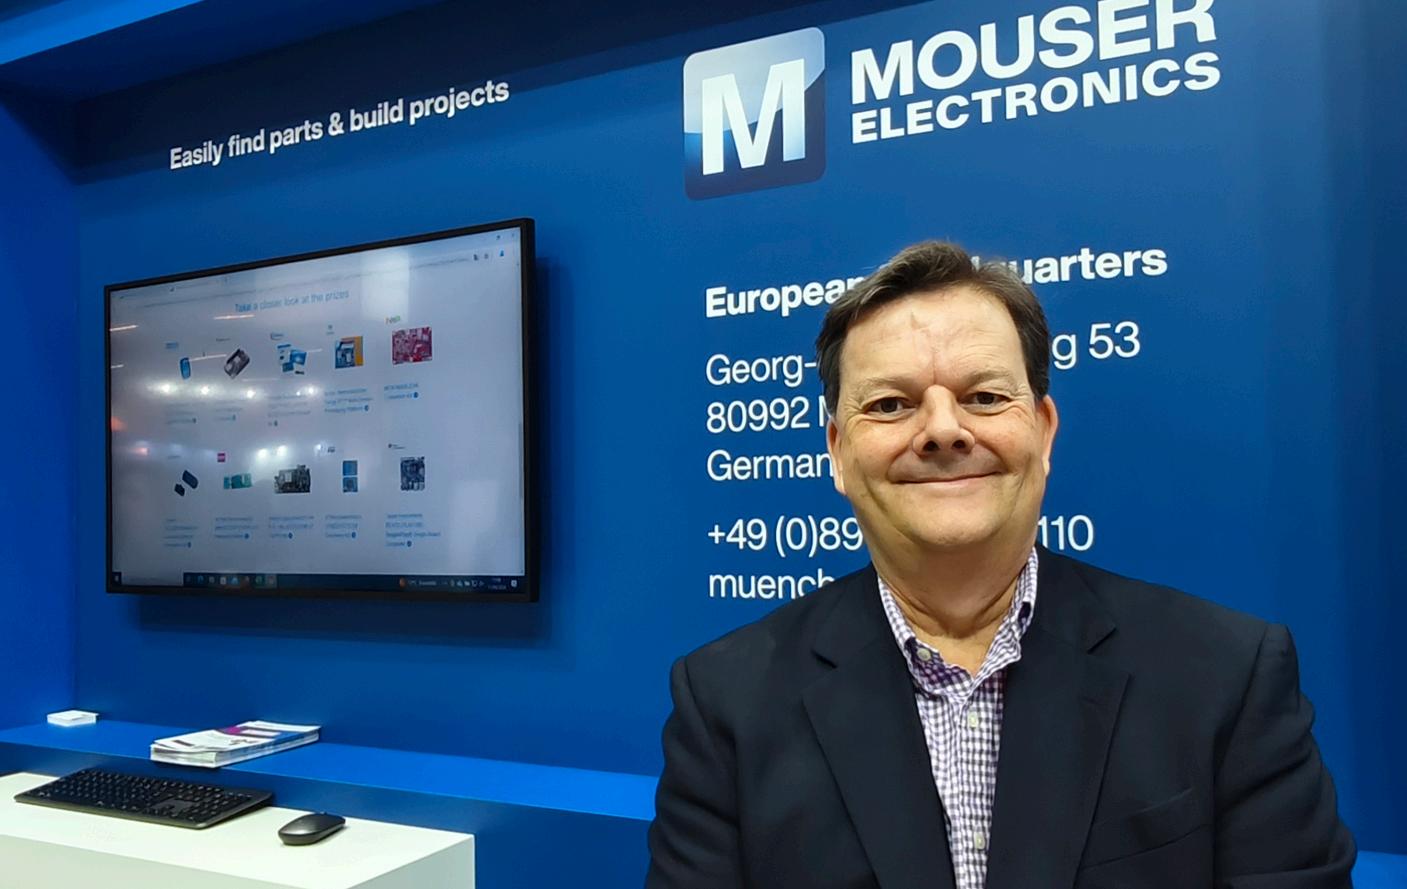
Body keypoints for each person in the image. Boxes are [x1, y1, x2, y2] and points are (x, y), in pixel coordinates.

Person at [645, 241, 1355, 889]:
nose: (942, 430)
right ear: (836, 451)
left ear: (1042, 432)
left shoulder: (1226, 676)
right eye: (890, 404)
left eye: (983, 397)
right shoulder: (725, 704)